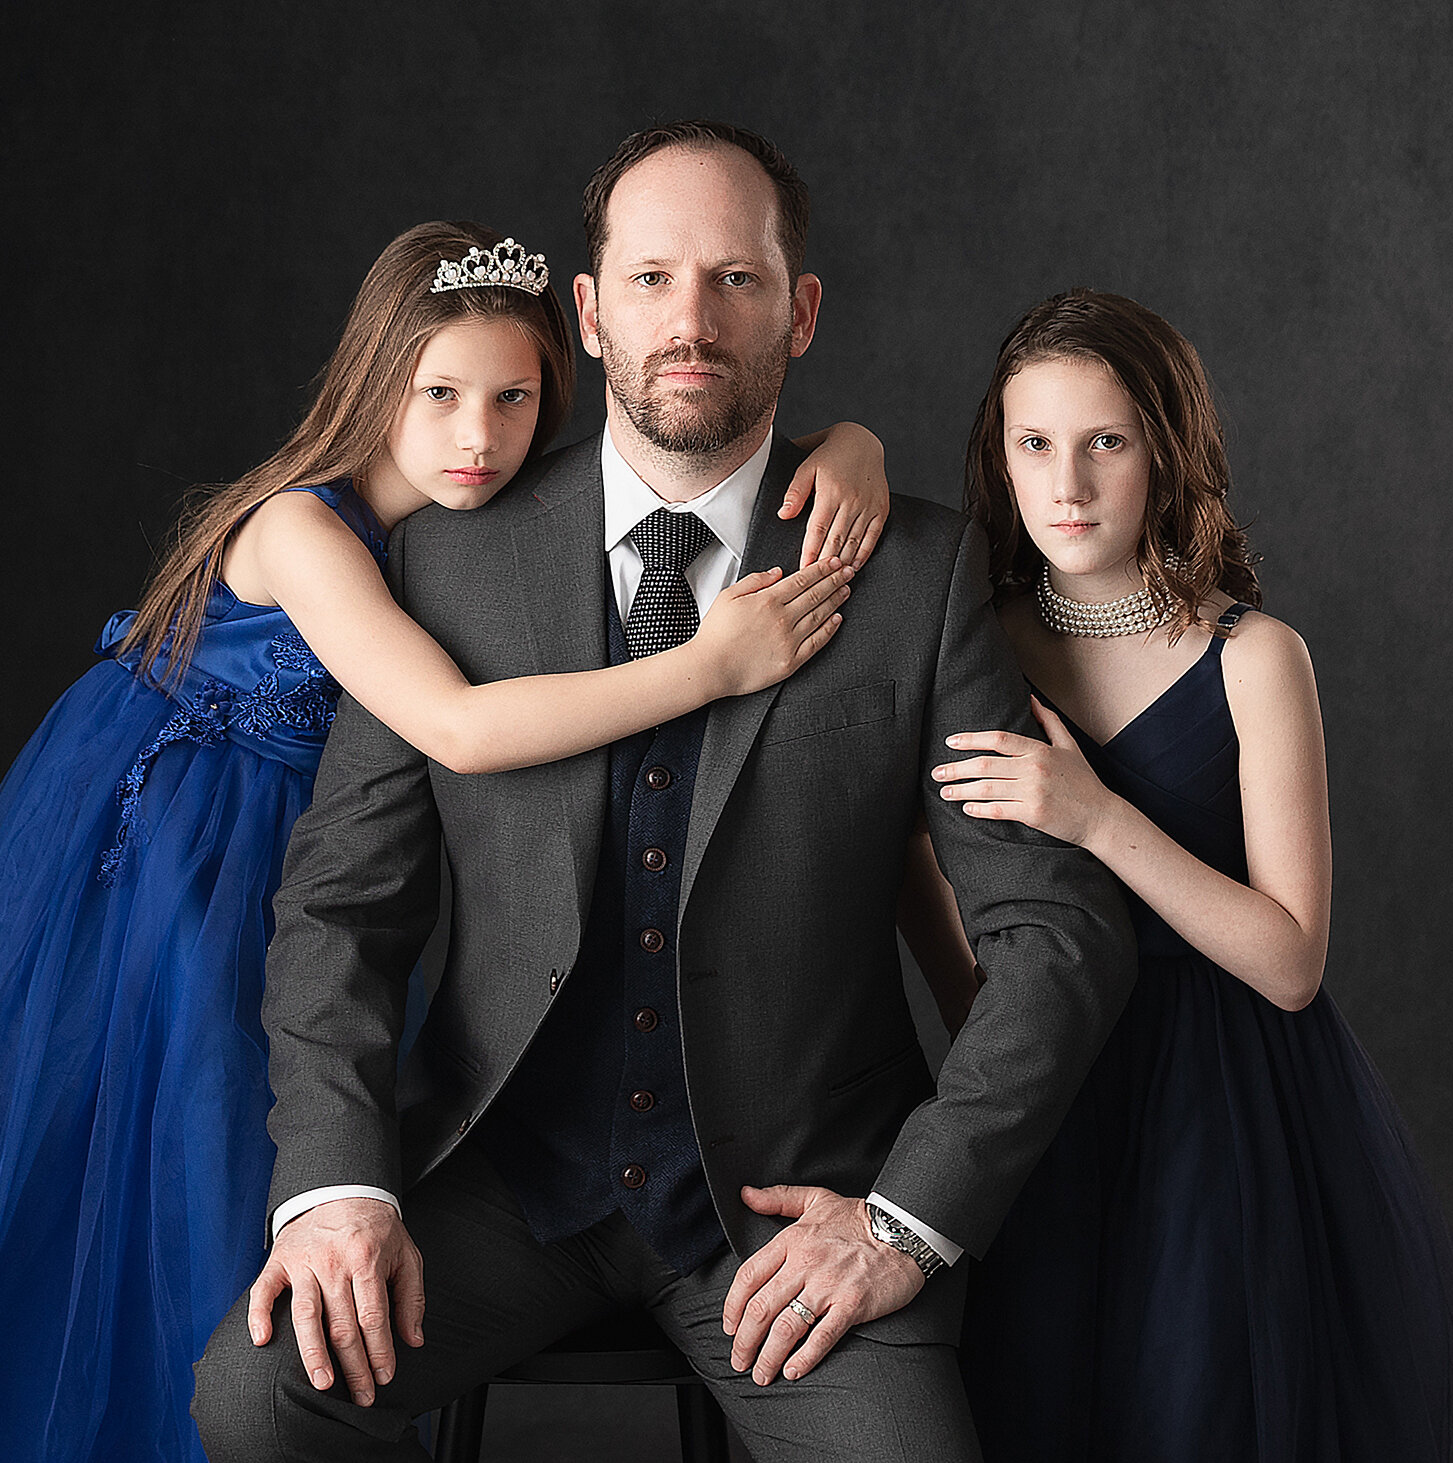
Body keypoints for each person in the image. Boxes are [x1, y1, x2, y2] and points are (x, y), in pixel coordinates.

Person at [0, 219, 890, 1463]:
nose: (476, 437)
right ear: (371, 384)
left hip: (294, 857)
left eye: (512, 399)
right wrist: (708, 666)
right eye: (436, 396)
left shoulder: (470, 538)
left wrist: (854, 444)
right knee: (181, 1182)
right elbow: (455, 726)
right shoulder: (302, 529)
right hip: (177, 862)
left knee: (273, 1148)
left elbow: (688, 452)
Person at [190, 122, 1137, 1463]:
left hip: (795, 1212)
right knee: (256, 1394)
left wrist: (900, 1220)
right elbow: (341, 907)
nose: (689, 320)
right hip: (504, 1195)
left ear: (800, 311)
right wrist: (338, 1189)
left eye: (735, 279)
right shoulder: (448, 564)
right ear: (586, 312)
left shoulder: (915, 576)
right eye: (648, 280)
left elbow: (1053, 938)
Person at [924, 288, 1453, 1460]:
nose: (1068, 485)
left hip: (1222, 1095)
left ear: (1164, 447)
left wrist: (1094, 816)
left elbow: (1290, 960)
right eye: (1033, 443)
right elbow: (915, 865)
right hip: (1043, 1082)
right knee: (1036, 1403)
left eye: (1107, 442)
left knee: (1190, 1405)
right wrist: (990, 1023)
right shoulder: (967, 642)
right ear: (998, 457)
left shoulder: (1252, 656)